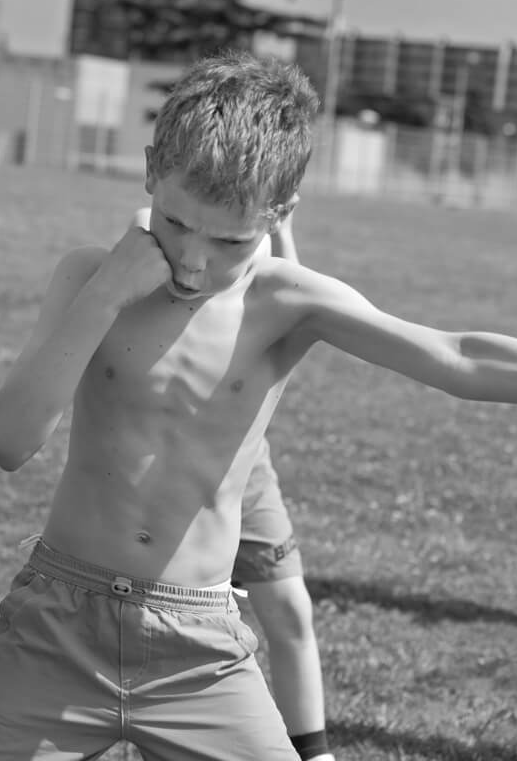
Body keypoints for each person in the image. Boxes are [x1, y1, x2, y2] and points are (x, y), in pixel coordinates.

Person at [0, 51, 517, 761]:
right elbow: (10, 440)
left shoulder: (285, 302)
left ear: (280, 212)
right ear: (148, 173)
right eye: (174, 224)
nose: (195, 261)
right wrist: (105, 294)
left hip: (198, 647)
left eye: (230, 241)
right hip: (56, 628)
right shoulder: (86, 278)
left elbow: (456, 356)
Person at [132, 203, 334, 761]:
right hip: (166, 466)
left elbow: (299, 310)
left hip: (247, 473)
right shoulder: (161, 226)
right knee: (155, 619)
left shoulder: (258, 233)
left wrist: (283, 229)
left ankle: (314, 752)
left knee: (291, 610)